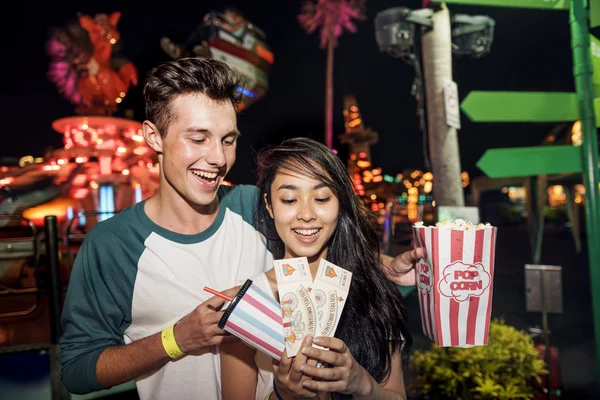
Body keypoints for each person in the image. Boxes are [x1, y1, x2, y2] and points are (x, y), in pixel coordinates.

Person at [59, 57, 420, 400]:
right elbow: (77, 369)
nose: (218, 158)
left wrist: (382, 264)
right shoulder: (112, 245)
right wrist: (176, 339)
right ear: (154, 137)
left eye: (228, 140)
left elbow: (317, 231)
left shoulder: (249, 206)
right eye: (198, 138)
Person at [220, 137, 412, 400]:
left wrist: (361, 384)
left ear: (340, 203)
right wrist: (284, 395)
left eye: (321, 198)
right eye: (289, 199)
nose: (307, 213)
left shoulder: (375, 291)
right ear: (269, 206)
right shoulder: (250, 306)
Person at [160, 6, 248, 60]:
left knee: (204, 28)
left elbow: (231, 29)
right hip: (221, 37)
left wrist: (217, 23)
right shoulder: (231, 21)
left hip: (228, 39)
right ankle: (185, 51)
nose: (227, 16)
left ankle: (182, 50)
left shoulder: (242, 22)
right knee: (201, 30)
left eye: (229, 13)